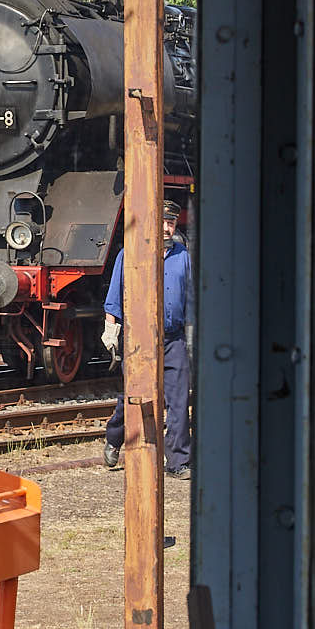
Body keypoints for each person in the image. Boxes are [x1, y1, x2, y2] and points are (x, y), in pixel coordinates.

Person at [101, 197, 193, 475]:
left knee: (179, 400)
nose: (166, 228)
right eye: (162, 221)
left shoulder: (183, 256)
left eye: (171, 222)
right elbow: (114, 296)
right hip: (139, 340)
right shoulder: (129, 254)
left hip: (173, 338)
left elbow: (190, 299)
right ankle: (115, 436)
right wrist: (111, 330)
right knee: (133, 395)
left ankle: (178, 462)